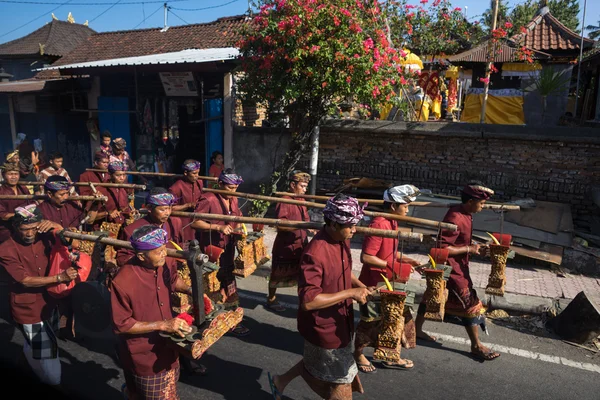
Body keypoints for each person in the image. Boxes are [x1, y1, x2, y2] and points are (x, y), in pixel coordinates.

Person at [269, 194, 372, 400]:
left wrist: (361, 287)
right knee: (340, 384)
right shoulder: (315, 253)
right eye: (350, 226)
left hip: (341, 320)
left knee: (312, 361)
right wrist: (351, 293)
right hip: (323, 326)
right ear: (333, 224)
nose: (354, 230)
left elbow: (344, 269)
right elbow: (308, 301)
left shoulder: (342, 239)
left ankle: (280, 381)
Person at [415, 183, 501, 361]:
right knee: (470, 303)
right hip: (450, 268)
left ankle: (416, 330)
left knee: (433, 295)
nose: (483, 207)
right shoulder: (454, 217)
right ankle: (476, 345)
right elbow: (440, 248)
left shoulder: (466, 213)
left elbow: (461, 245)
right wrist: (469, 249)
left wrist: (474, 249)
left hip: (460, 265)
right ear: (470, 201)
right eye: (481, 203)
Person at [111, 225, 194, 400]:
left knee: (169, 389)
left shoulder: (166, 261)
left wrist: (189, 290)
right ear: (141, 256)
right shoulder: (123, 281)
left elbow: (172, 280)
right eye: (159, 251)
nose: (165, 253)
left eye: (165, 249)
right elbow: (122, 324)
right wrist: (163, 324)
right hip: (145, 355)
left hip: (169, 347)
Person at [0, 204, 77, 389]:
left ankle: (26, 364)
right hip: (28, 309)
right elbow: (25, 281)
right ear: (15, 228)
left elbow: (74, 242)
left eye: (34, 228)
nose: (29, 233)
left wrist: (54, 226)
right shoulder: (5, 249)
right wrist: (60, 278)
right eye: (24, 229)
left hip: (50, 302)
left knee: (37, 343)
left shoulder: (45, 235)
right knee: (50, 362)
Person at [354, 185, 421, 373]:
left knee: (391, 321)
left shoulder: (392, 222)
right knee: (370, 322)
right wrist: (392, 266)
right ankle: (358, 354)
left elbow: (390, 254)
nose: (407, 210)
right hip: (373, 282)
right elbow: (367, 257)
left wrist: (411, 261)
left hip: (388, 280)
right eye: (405, 206)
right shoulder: (378, 224)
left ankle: (389, 355)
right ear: (393, 206)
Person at [191, 168, 250, 336]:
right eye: (230, 187)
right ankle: (208, 319)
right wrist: (217, 227)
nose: (233, 191)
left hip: (229, 249)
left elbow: (237, 217)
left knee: (229, 283)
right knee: (211, 285)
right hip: (212, 250)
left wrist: (240, 229)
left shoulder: (234, 199)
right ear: (220, 184)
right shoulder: (208, 199)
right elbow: (195, 222)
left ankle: (232, 320)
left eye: (236, 187)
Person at [267, 170, 312, 312]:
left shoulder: (302, 200)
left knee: (303, 273)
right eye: (302, 186)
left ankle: (304, 299)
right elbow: (280, 224)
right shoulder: (284, 200)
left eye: (306, 187)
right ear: (293, 185)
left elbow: (306, 221)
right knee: (277, 273)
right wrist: (298, 226)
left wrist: (312, 229)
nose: (305, 190)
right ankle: (271, 298)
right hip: (285, 245)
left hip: (300, 244)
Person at [117, 188, 183, 267]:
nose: (167, 213)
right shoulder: (132, 230)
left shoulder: (175, 223)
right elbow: (122, 259)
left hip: (171, 270)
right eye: (162, 210)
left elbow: (180, 245)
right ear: (149, 208)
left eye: (169, 208)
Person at [168, 160, 204, 242]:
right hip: (184, 226)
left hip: (198, 223)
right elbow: (169, 208)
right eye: (194, 173)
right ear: (185, 173)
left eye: (198, 173)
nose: (197, 176)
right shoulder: (176, 188)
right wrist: (187, 205)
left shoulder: (199, 183)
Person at [92, 161, 134, 230]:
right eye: (118, 175)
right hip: (104, 231)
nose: (122, 178)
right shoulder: (101, 190)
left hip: (121, 228)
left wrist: (130, 211)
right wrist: (107, 213)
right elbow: (89, 218)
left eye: (124, 175)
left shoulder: (123, 188)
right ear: (110, 175)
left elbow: (125, 208)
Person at [0, 162, 34, 243]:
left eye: (16, 174)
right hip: (7, 231)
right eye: (10, 174)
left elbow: (32, 205)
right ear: (3, 175)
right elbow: (2, 215)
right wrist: (22, 214)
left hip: (25, 230)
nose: (14, 177)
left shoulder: (23, 188)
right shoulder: (1, 191)